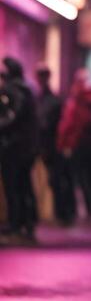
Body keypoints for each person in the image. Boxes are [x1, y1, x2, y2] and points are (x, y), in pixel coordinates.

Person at [57, 69, 91, 223]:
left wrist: (62, 142)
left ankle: (90, 210)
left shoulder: (77, 101)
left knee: (82, 179)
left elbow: (68, 124)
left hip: (79, 144)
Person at [0, 57, 40, 243]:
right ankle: (27, 223)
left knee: (14, 187)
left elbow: (11, 117)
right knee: (24, 186)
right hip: (26, 146)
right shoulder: (27, 90)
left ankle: (17, 225)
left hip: (12, 146)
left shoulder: (12, 91)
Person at [35, 65, 75, 226]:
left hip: (53, 144)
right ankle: (61, 212)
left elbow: (47, 124)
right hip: (51, 144)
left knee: (57, 179)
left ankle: (63, 213)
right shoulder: (43, 98)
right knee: (56, 179)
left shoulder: (50, 100)